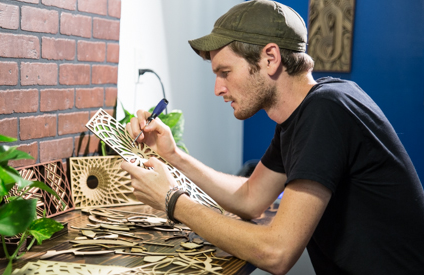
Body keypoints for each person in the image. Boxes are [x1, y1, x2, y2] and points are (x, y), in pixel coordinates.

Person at [120, 1, 424, 274]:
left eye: (225, 72)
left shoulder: (327, 110)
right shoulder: (302, 114)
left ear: (270, 58)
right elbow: (251, 198)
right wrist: (174, 156)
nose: (218, 89)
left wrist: (172, 200)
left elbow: (277, 252)